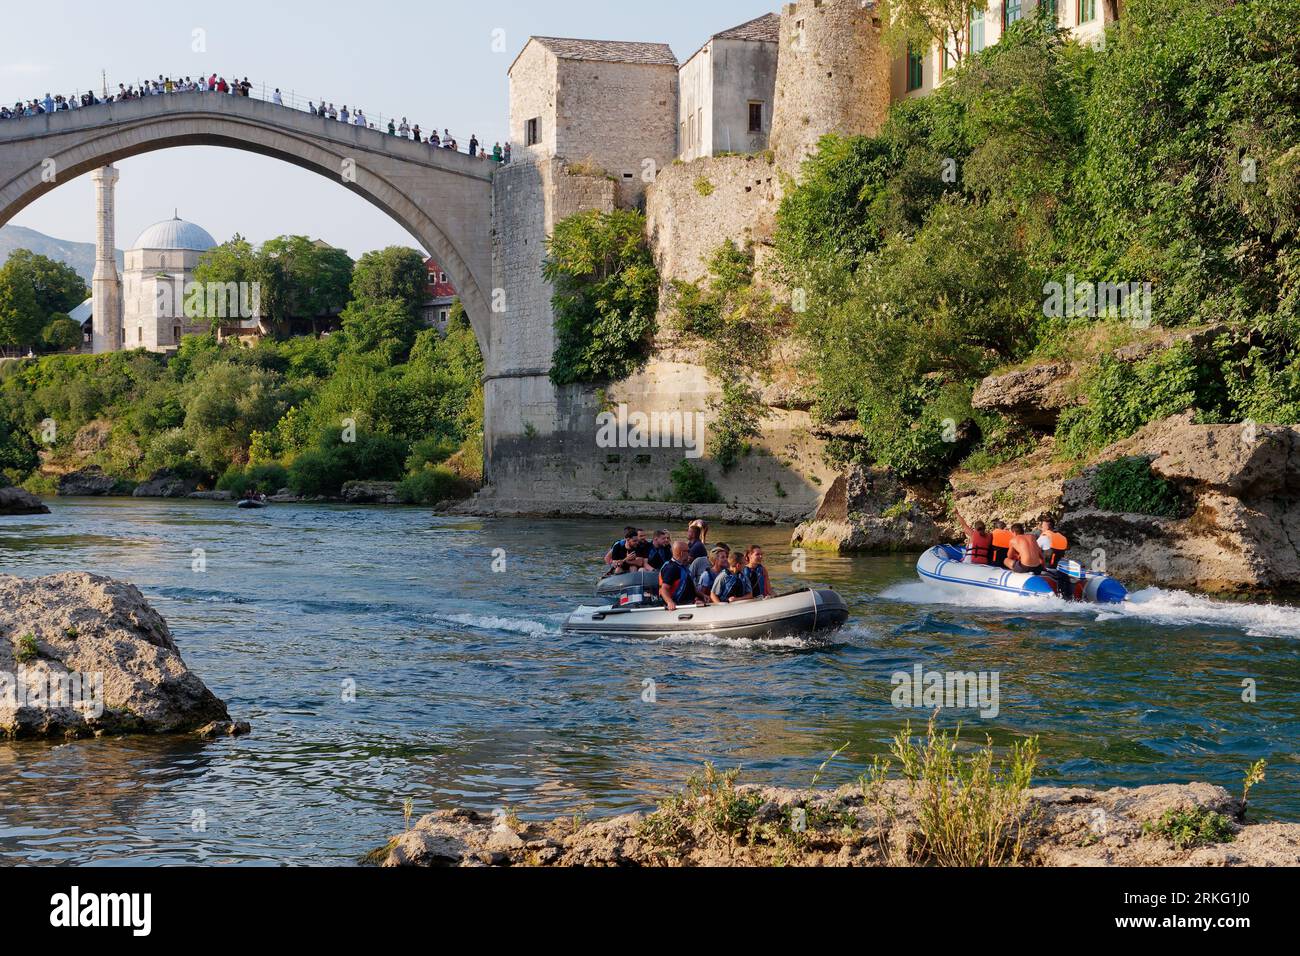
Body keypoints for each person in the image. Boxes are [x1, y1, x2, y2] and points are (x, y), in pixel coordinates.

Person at [659, 542, 707, 612]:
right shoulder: (672, 568)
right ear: (681, 553)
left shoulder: (683, 566)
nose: (689, 554)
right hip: (680, 606)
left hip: (690, 602)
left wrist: (703, 595)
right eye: (688, 551)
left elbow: (692, 588)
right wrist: (670, 602)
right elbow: (663, 589)